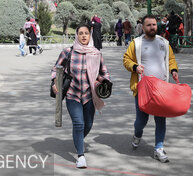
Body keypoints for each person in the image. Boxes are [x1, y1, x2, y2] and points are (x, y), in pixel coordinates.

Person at [51, 24, 110, 168]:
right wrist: (54, 82)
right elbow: (56, 69)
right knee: (79, 123)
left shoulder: (96, 54)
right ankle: (80, 156)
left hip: (90, 95)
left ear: (90, 36)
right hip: (73, 94)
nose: (83, 36)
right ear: (76, 35)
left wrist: (106, 82)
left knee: (88, 124)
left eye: (86, 33)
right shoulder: (68, 52)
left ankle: (77, 140)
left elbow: (103, 73)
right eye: (81, 33)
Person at [123, 15, 179, 163]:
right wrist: (134, 67)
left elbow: (171, 59)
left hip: (161, 88)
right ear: (143, 27)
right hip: (143, 88)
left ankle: (158, 148)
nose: (152, 27)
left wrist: (173, 70)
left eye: (154, 24)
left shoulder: (164, 42)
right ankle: (137, 134)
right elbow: (126, 59)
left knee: (161, 119)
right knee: (142, 120)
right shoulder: (136, 43)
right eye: (149, 25)